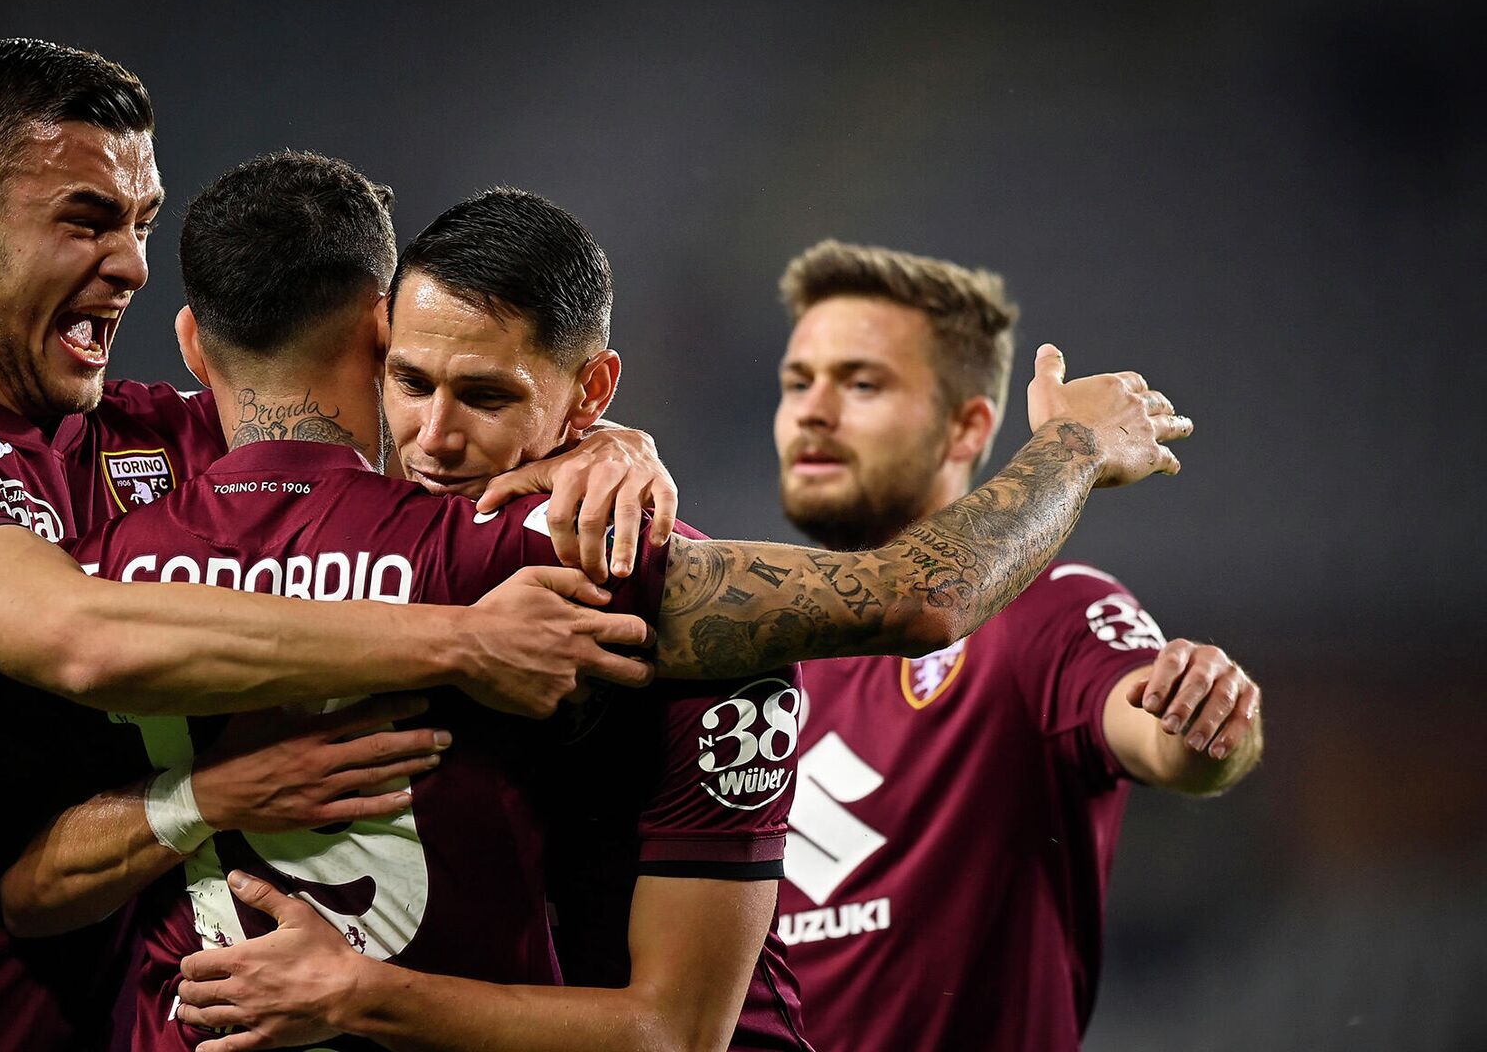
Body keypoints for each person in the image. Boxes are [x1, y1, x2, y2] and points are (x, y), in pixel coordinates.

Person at [77, 181, 1186, 1051]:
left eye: (488, 397)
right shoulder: (363, 533)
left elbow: (674, 1032)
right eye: (410, 384)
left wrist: (1074, 447)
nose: (434, 438)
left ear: (591, 391)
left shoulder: (653, 604)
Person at [0, 40, 666, 1052]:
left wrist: (597, 444)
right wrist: (462, 642)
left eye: (141, 222)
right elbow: (82, 637)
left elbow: (409, 452)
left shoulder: (167, 443)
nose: (132, 262)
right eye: (86, 220)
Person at [766, 242, 1265, 1051]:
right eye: (797, 383)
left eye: (861, 384)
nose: (813, 412)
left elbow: (1165, 737)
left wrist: (1204, 711)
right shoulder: (754, 648)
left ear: (967, 426)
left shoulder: (1045, 612)